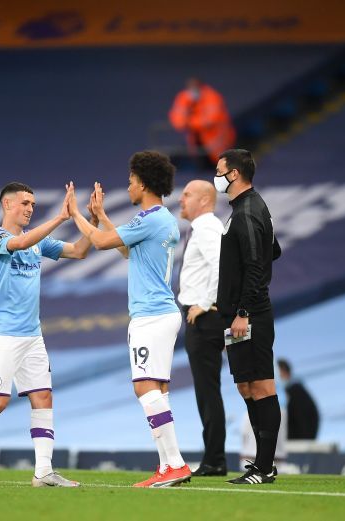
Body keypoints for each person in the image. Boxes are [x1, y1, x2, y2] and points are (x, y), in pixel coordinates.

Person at [0, 181, 94, 488]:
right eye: (25, 203)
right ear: (7, 205)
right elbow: (18, 244)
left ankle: (43, 472)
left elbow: (81, 251)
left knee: (43, 396)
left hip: (33, 335)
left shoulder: (38, 242)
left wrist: (93, 219)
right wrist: (60, 218)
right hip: (3, 335)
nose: (30, 208)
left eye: (33, 204)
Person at [69, 151, 192, 488]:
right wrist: (102, 215)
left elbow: (101, 242)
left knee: (144, 386)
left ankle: (176, 463)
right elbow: (125, 248)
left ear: (143, 183)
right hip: (162, 313)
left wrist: (76, 216)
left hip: (150, 315)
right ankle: (168, 466)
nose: (128, 187)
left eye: (131, 181)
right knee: (158, 389)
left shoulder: (150, 219)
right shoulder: (160, 219)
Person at [214, 148, 282, 485]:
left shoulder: (248, 210)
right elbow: (274, 250)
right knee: (245, 386)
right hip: (238, 315)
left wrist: (242, 311)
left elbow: (258, 264)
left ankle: (266, 467)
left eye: (219, 170)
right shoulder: (244, 209)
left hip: (249, 314)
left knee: (262, 386)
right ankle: (261, 462)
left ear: (235, 174)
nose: (216, 176)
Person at [176, 179, 228, 476]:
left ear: (205, 200)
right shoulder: (204, 227)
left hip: (204, 319)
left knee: (208, 390)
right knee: (207, 390)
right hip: (202, 317)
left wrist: (205, 303)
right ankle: (214, 457)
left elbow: (221, 266)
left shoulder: (207, 227)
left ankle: (214, 459)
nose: (181, 199)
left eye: (187, 194)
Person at [169, 77, 236, 168]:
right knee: (201, 168)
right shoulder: (184, 97)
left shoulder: (212, 97)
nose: (192, 90)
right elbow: (177, 120)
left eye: (195, 87)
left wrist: (189, 122)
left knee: (221, 169)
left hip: (217, 141)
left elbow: (210, 120)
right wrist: (190, 122)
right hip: (197, 142)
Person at [276, 359, 319, 441]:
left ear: (284, 372)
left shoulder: (296, 392)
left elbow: (302, 421)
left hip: (298, 443)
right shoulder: (293, 392)